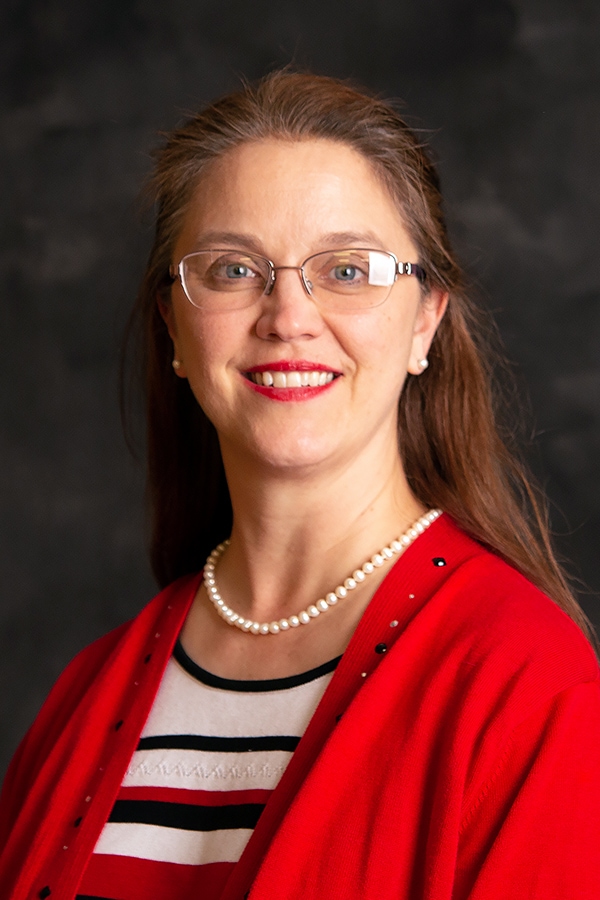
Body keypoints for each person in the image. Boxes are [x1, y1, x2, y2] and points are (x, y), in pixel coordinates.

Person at [1, 70, 599, 900]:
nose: (289, 317)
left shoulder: (525, 685)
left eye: (348, 270)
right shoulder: (83, 699)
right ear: (175, 325)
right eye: (234, 270)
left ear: (425, 319)